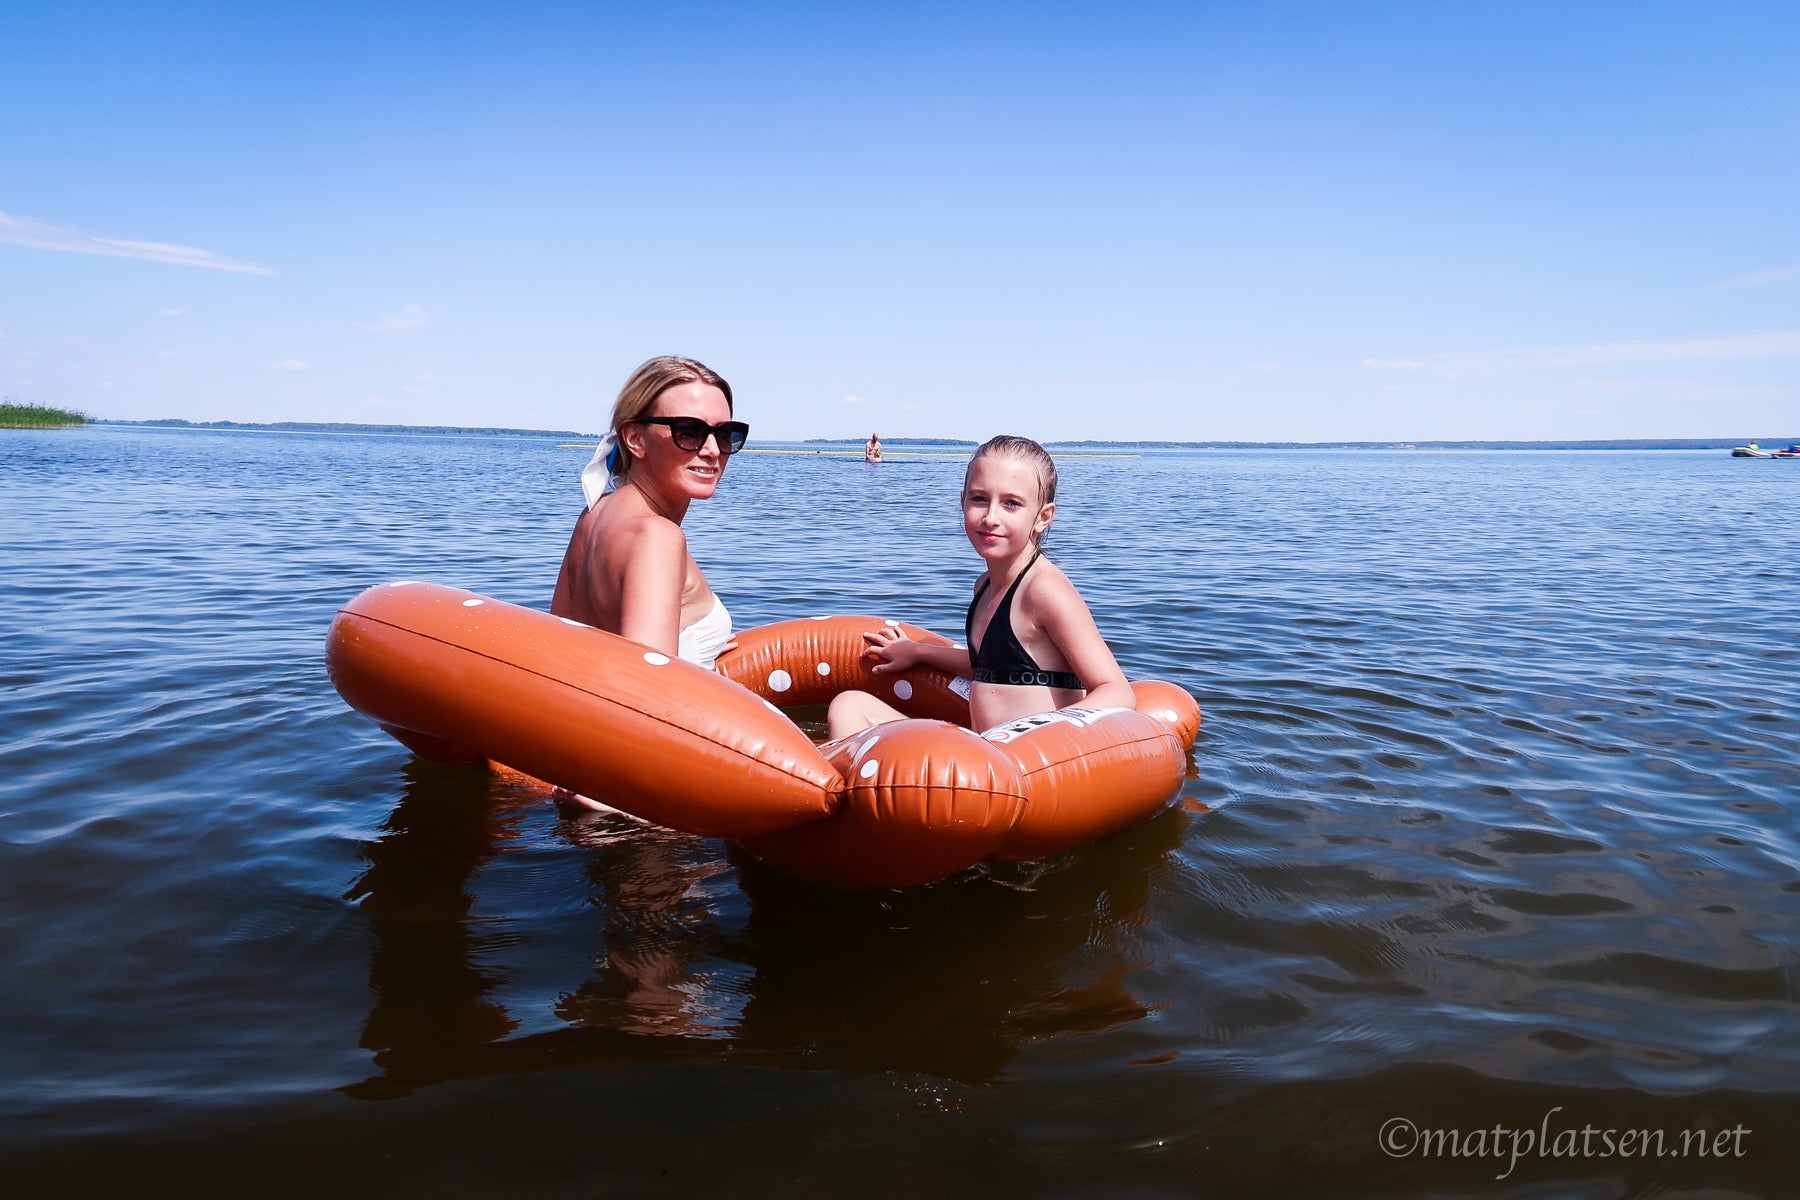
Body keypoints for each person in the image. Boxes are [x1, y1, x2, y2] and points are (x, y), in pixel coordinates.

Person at [826, 435, 1135, 738]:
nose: (990, 517)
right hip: (982, 750)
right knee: (850, 705)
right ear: (962, 501)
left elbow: (1116, 690)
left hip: (1027, 758)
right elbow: (992, 667)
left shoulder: (1045, 590)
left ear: (1043, 517)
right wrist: (918, 651)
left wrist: (1030, 737)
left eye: (1011, 504)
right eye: (979, 499)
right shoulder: (985, 586)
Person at [552, 356, 748, 671]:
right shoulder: (658, 537)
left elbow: (563, 645)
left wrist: (695, 657)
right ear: (635, 439)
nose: (712, 450)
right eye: (689, 431)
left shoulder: (593, 515)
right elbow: (647, 684)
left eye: (725, 434)